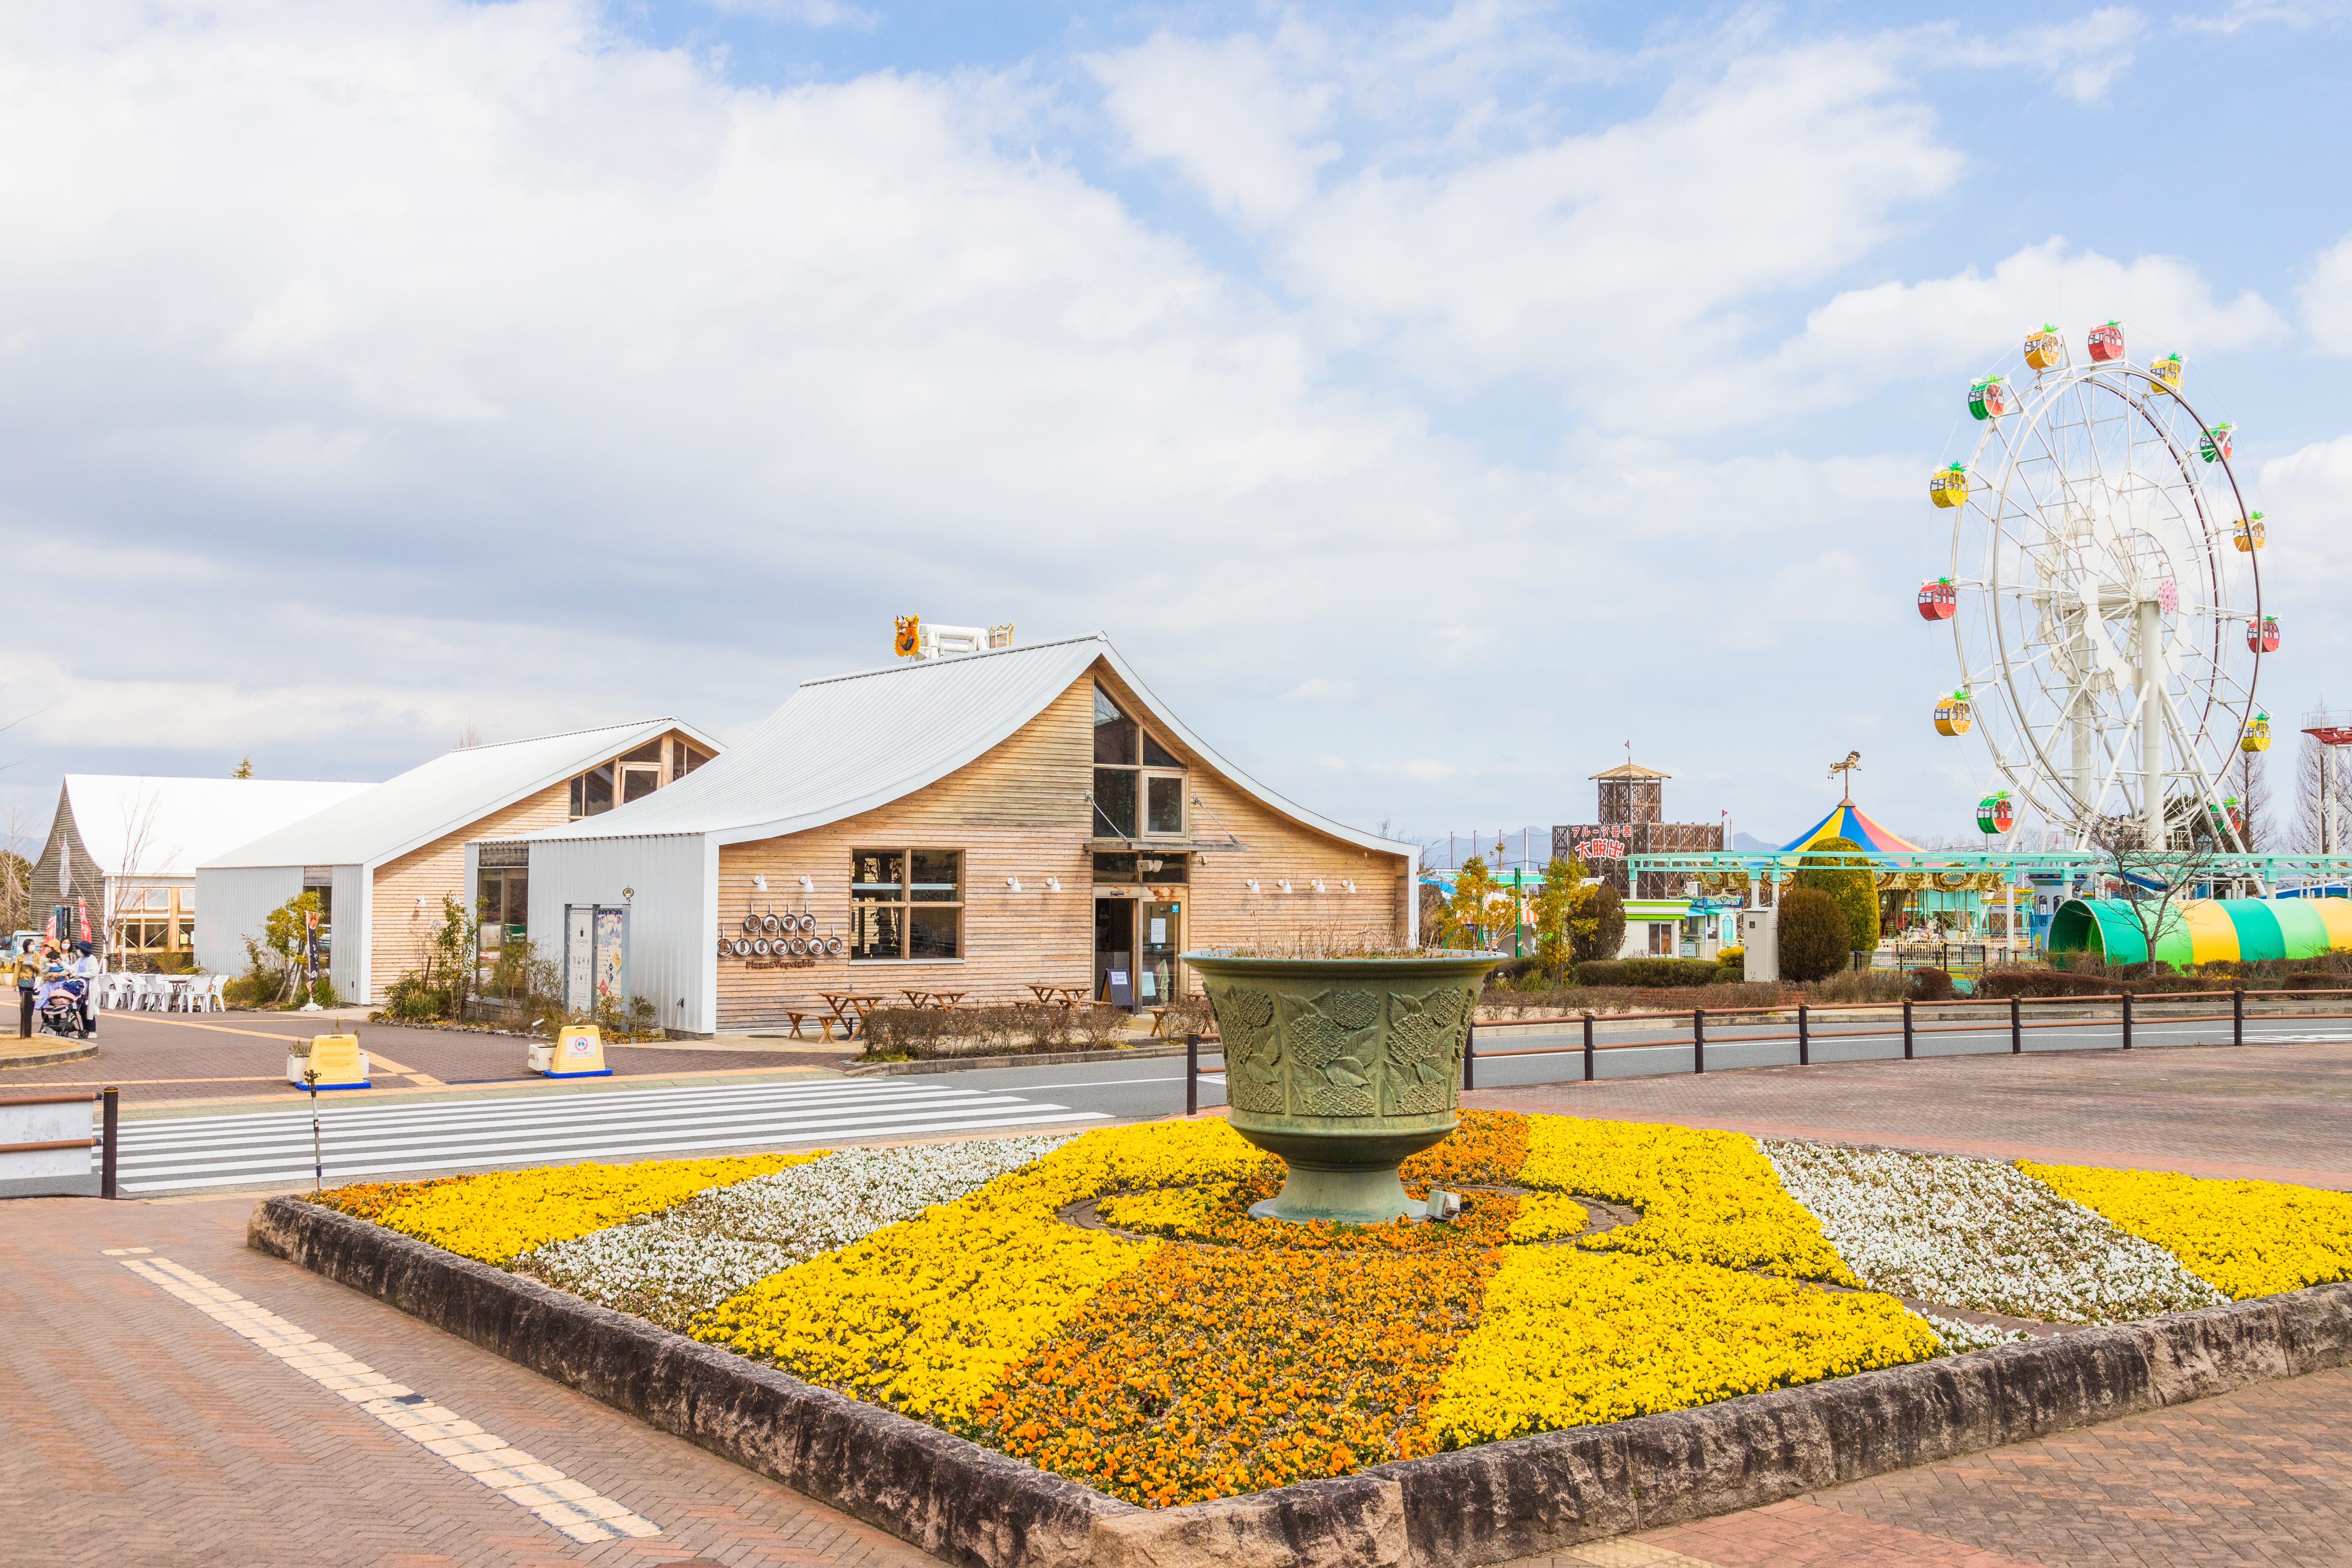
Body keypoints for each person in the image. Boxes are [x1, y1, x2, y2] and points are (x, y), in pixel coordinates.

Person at [72, 940, 102, 1035]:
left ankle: (92, 1030)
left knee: (88, 1010)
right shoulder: (81, 960)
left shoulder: (92, 959)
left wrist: (79, 975)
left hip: (89, 989)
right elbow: (72, 968)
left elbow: (94, 973)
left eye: (80, 949)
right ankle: (85, 1030)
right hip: (81, 988)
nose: (78, 951)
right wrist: (61, 964)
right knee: (82, 1010)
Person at [12, 936, 38, 1039]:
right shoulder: (21, 957)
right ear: (26, 946)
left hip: (34, 983)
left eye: (33, 944)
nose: (32, 946)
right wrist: (14, 984)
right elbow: (17, 971)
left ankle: (29, 1019)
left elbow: (40, 968)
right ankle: (24, 1021)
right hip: (23, 983)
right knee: (24, 1003)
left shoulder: (38, 956)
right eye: (30, 945)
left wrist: (32, 964)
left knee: (32, 1003)